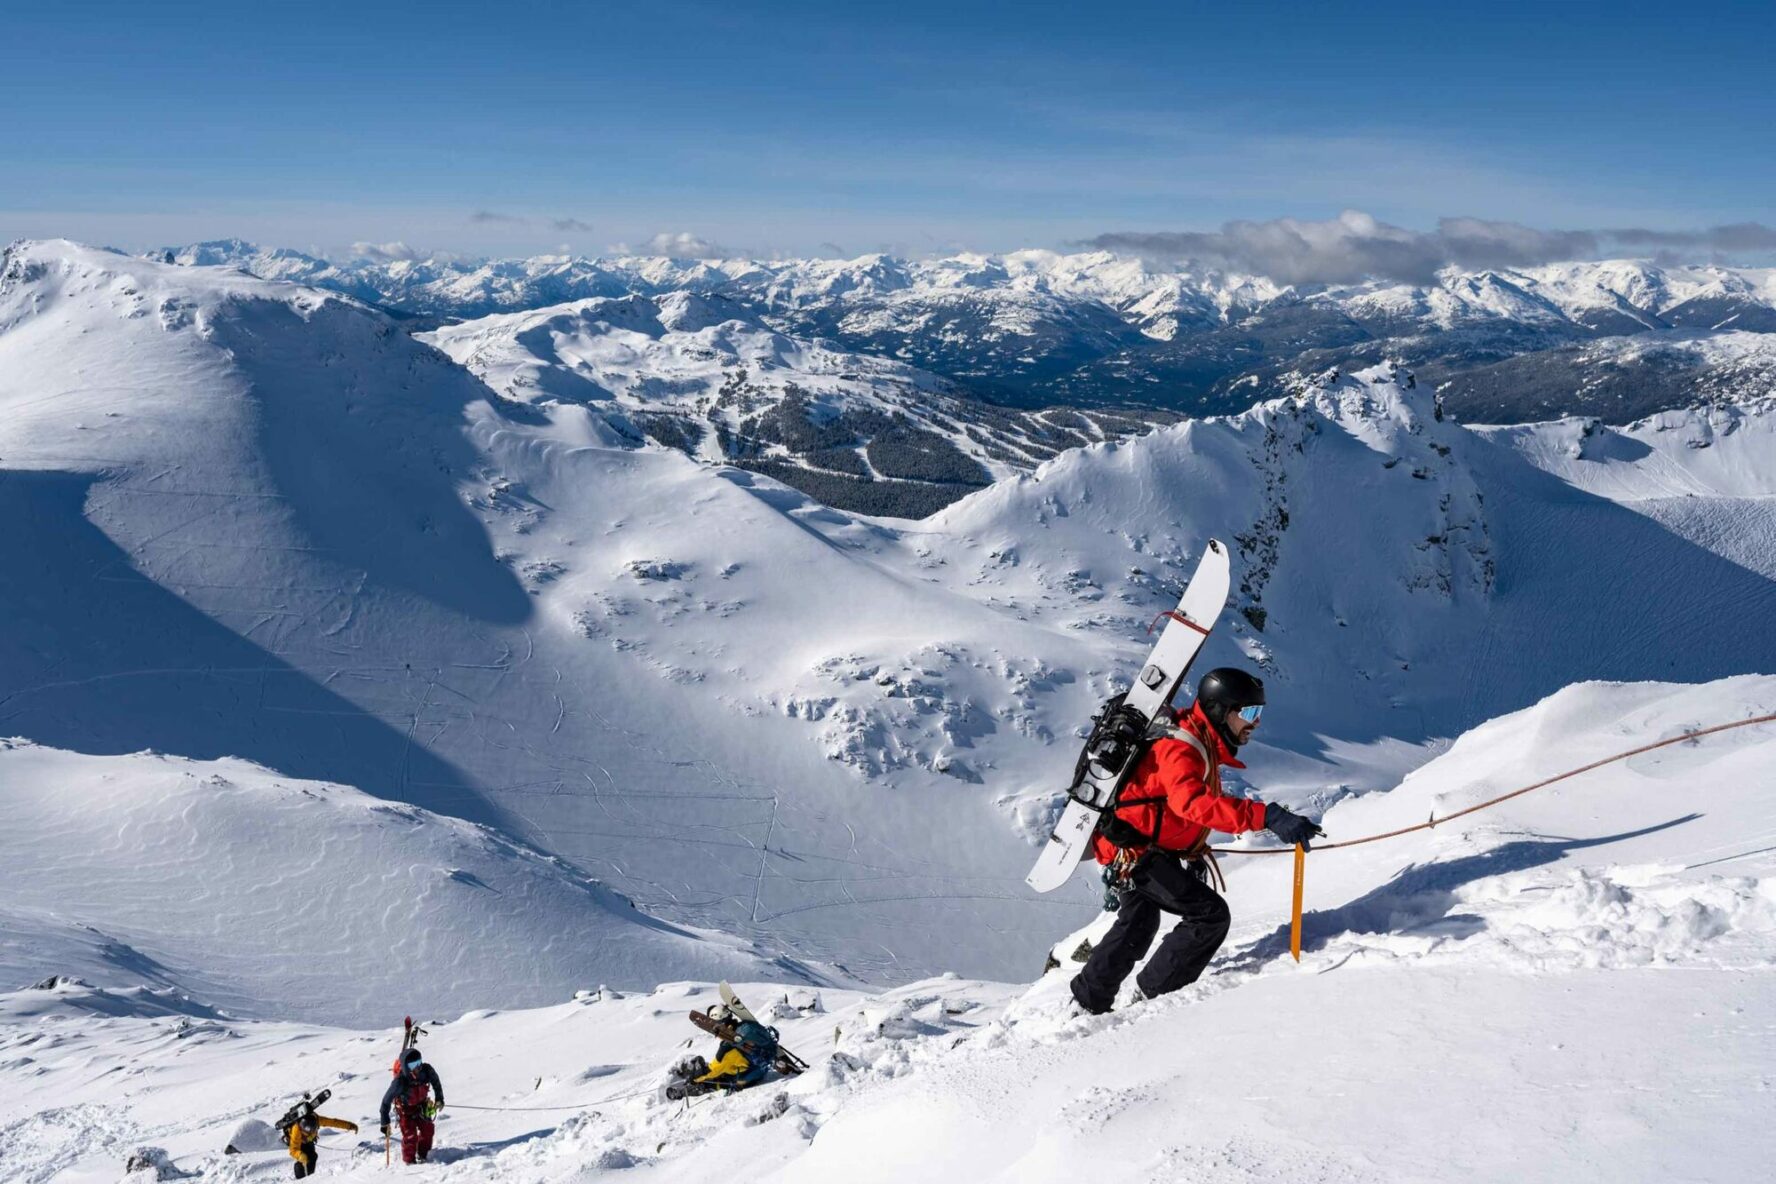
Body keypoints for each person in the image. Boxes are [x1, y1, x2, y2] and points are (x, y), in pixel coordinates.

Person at [1070, 667, 1322, 1015]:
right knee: (1209, 916)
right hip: (1133, 849)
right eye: (1249, 713)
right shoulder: (1184, 747)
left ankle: (1087, 1001)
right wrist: (1266, 816)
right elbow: (1191, 804)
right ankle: (1154, 1000)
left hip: (1131, 843)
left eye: (1258, 713)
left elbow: (1169, 805)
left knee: (1139, 920)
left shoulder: (1198, 739)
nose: (1256, 723)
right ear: (1221, 710)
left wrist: (1189, 848)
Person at [664, 1008, 779, 1100]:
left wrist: (695, 1078)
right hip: (759, 1070)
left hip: (744, 1079)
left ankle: (685, 1091)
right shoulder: (746, 1027)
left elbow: (713, 1070)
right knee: (720, 1070)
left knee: (710, 1078)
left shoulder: (727, 1050)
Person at [379, 1047, 445, 1165]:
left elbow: (436, 1081)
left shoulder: (426, 1071)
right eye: (413, 1065)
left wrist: (439, 1098)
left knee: (428, 1130)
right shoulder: (399, 1082)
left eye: (419, 1063)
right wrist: (385, 1123)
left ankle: (424, 1155)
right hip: (405, 1111)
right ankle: (409, 1163)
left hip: (422, 1107)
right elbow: (385, 1102)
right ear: (406, 1067)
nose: (418, 1067)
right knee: (410, 1137)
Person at [285, 1096, 357, 1179]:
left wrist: (349, 1125)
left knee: (313, 1157)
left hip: (309, 1141)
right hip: (299, 1143)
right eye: (306, 1132)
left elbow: (333, 1122)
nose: (309, 1132)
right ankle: (300, 1180)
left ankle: (310, 1178)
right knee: (303, 1160)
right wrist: (300, 1155)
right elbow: (293, 1149)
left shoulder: (317, 1119)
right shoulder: (296, 1129)